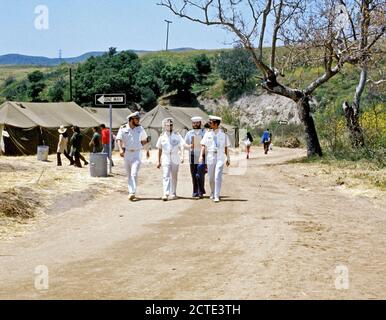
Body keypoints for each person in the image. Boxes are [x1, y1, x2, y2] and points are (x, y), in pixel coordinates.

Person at [116, 112, 149, 201]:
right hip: (127, 154)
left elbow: (144, 140)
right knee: (129, 174)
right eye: (136, 119)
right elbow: (118, 139)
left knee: (134, 173)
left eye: (138, 119)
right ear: (131, 120)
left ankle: (132, 192)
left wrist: (147, 150)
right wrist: (120, 149)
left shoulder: (140, 128)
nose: (138, 120)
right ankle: (131, 191)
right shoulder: (123, 128)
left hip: (137, 153)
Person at [199, 115, 231, 203]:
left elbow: (226, 148)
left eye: (211, 122)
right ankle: (212, 191)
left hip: (220, 157)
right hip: (210, 156)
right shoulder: (207, 134)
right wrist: (201, 156)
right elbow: (203, 146)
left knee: (217, 176)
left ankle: (217, 195)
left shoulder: (223, 135)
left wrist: (228, 158)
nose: (209, 124)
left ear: (216, 124)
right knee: (210, 178)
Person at [156, 118, 185, 201]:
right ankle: (165, 193)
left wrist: (182, 156)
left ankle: (173, 193)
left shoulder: (177, 135)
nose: (169, 126)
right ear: (165, 126)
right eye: (168, 125)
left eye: (171, 125)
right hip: (166, 157)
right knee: (166, 175)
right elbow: (159, 149)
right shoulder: (162, 136)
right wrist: (158, 161)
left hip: (175, 156)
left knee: (174, 176)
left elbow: (181, 146)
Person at [184, 116, 206, 199]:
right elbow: (184, 145)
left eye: (197, 123)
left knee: (200, 174)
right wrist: (190, 146)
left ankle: (201, 191)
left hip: (202, 155)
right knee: (193, 174)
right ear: (192, 124)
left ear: (200, 123)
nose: (195, 124)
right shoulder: (189, 133)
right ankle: (195, 191)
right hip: (192, 155)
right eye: (194, 123)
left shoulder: (204, 133)